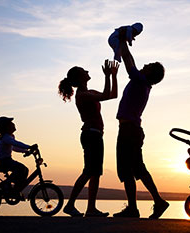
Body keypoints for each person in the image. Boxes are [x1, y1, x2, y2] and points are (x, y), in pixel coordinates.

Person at [113, 40, 169, 219]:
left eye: (149, 65)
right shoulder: (142, 83)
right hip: (131, 130)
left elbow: (129, 61)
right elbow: (129, 59)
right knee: (134, 169)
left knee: (131, 169)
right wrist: (122, 42)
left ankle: (147, 205)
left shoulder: (140, 81)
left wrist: (122, 40)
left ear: (151, 72)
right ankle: (142, 206)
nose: (145, 65)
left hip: (129, 130)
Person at [58, 59, 119, 217]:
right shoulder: (83, 95)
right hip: (91, 134)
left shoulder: (89, 92)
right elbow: (106, 94)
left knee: (95, 173)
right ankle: (70, 205)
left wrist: (114, 75)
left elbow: (113, 95)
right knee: (88, 172)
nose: (87, 71)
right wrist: (107, 76)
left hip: (95, 134)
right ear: (79, 78)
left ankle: (91, 209)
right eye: (84, 70)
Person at [0, 116, 36, 194]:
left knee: (24, 170)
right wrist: (29, 146)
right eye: (10, 124)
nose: (13, 124)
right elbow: (16, 143)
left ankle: (14, 188)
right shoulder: (6, 137)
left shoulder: (10, 137)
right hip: (3, 161)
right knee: (22, 169)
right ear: (5, 127)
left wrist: (25, 151)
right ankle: (8, 186)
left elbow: (14, 147)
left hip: (6, 160)